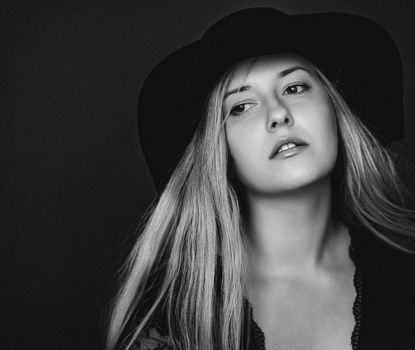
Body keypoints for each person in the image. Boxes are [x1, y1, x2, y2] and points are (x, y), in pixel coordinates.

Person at [107, 7, 415, 350]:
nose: (278, 114)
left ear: (336, 110)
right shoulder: (171, 315)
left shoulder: (405, 269)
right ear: (220, 149)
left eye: (295, 87)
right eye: (240, 106)